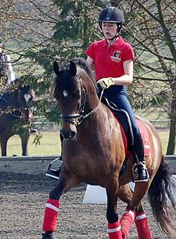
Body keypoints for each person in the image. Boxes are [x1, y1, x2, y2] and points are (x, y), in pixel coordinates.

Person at [46, 6, 149, 183]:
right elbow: (84, 71)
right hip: (97, 94)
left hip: (117, 93)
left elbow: (129, 77)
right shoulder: (95, 47)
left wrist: (112, 80)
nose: (107, 28)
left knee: (133, 126)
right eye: (104, 25)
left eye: (111, 25)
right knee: (70, 121)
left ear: (119, 28)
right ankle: (64, 161)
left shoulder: (125, 48)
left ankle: (140, 165)